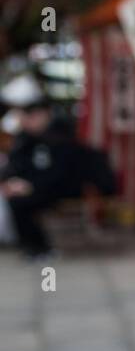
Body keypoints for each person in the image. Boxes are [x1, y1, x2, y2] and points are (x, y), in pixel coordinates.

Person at [0, 78, 99, 261]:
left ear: (45, 114)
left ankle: (40, 247)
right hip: (33, 187)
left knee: (22, 203)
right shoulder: (24, 139)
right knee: (15, 199)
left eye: (33, 115)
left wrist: (31, 186)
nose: (28, 120)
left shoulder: (60, 138)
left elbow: (63, 173)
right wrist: (12, 182)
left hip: (61, 188)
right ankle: (29, 245)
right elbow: (14, 165)